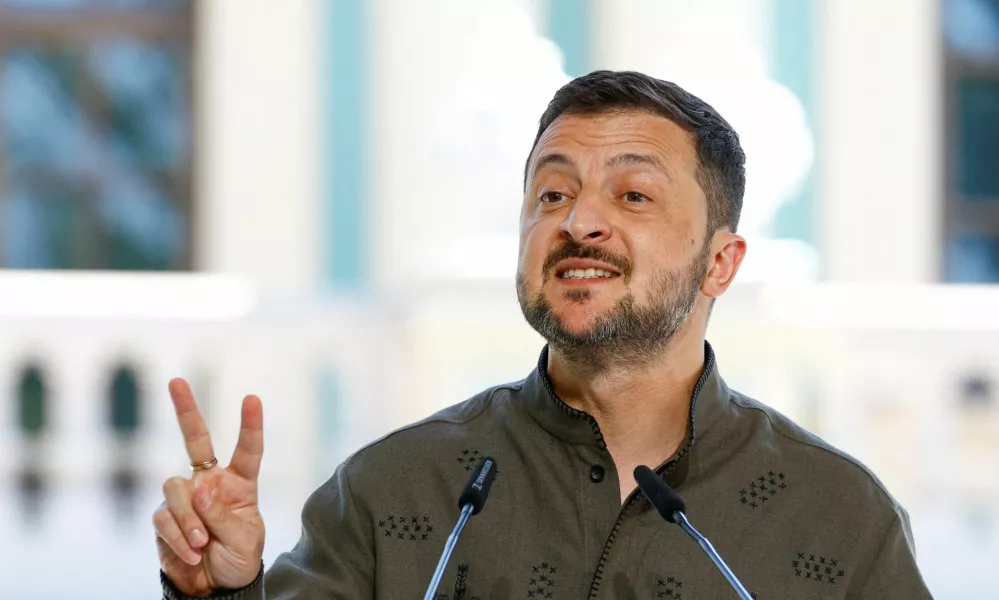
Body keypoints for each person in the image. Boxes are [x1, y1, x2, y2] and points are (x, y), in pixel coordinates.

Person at [156, 71, 933, 599]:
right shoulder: (393, 491)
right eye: (552, 192)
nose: (577, 221)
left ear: (719, 263)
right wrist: (223, 591)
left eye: (632, 195)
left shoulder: (837, 516)